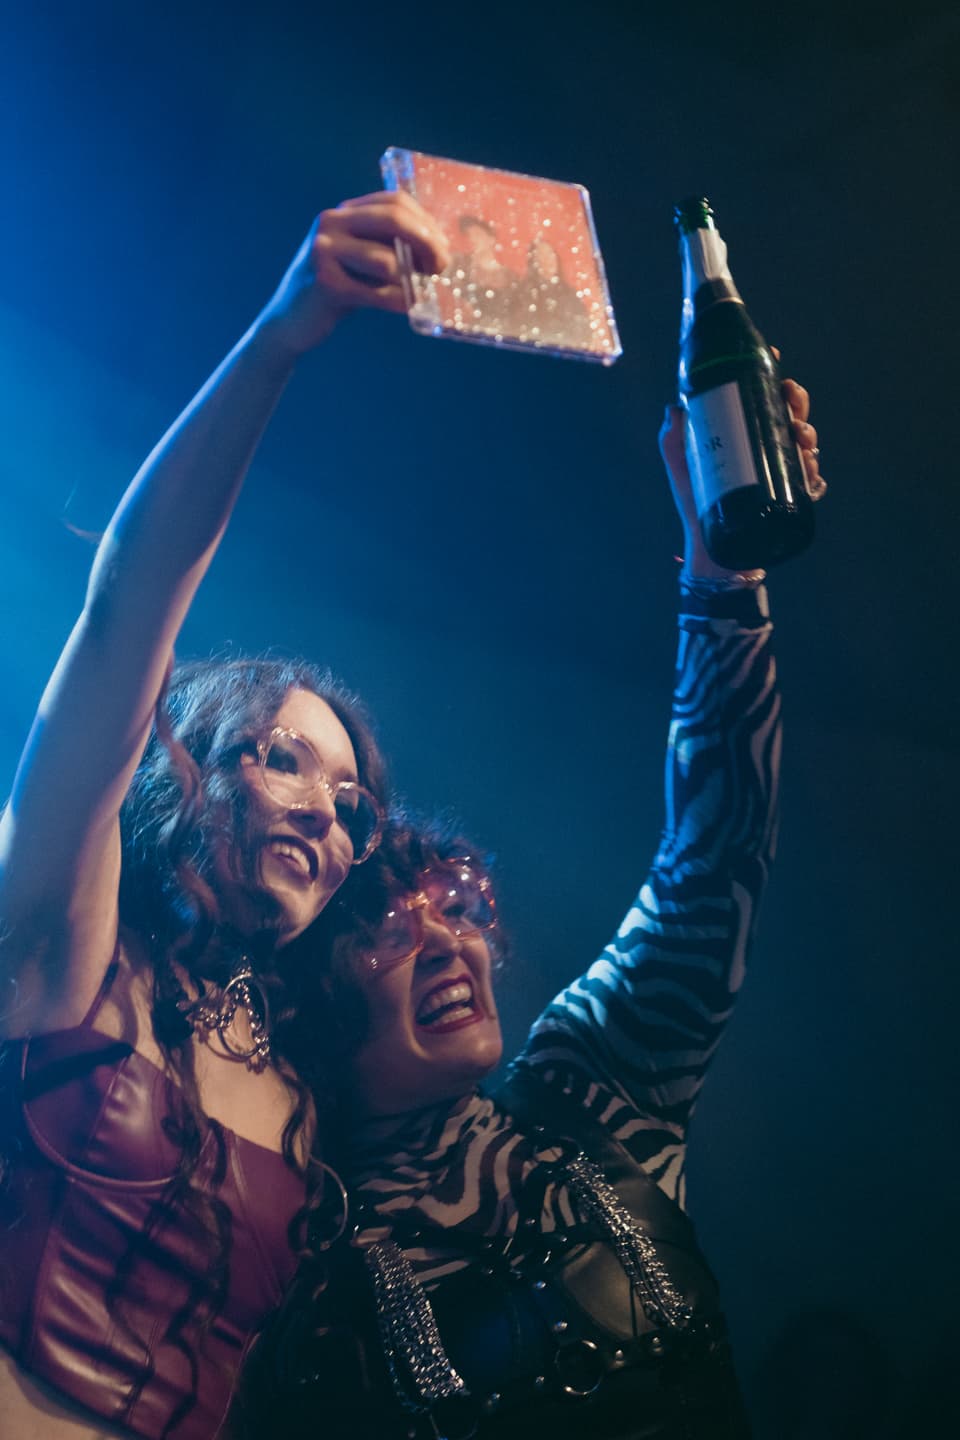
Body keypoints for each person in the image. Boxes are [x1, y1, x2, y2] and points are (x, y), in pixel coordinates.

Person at [232, 395, 826, 1438]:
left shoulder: (589, 1092)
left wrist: (721, 573)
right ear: (315, 995)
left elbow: (714, 853)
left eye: (453, 907)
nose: (444, 938)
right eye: (384, 927)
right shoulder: (293, 1261)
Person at [0, 190, 450, 1440]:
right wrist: (279, 338)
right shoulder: (65, 949)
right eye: (286, 762)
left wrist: (718, 566)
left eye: (355, 803)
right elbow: (126, 606)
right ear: (192, 769)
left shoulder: (314, 1092)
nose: (331, 814)